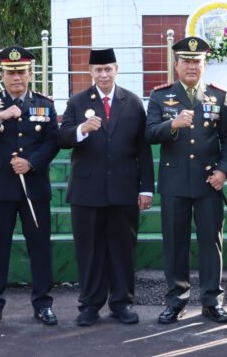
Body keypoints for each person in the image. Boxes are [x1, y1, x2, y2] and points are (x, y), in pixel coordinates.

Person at [58, 48, 154, 326]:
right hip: (87, 191)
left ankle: (121, 303)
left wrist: (145, 188)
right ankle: (89, 305)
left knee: (123, 249)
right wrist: (81, 130)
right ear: (90, 72)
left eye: (108, 69)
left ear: (116, 70)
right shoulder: (78, 102)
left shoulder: (133, 102)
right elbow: (61, 138)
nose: (103, 74)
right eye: (98, 70)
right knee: (89, 250)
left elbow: (143, 149)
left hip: (123, 190)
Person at [0, 46, 59, 329]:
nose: (16, 77)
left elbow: (53, 141)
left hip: (33, 187)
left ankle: (43, 304)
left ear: (30, 74)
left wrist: (31, 163)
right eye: (10, 72)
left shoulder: (44, 103)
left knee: (40, 247)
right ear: (2, 75)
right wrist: (0, 117)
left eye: (21, 72)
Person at [146, 37, 227, 324]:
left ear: (205, 64)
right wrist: (171, 124)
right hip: (174, 182)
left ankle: (212, 300)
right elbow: (148, 134)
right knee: (175, 243)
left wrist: (223, 171)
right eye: (186, 61)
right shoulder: (161, 96)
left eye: (197, 61)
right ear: (176, 64)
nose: (192, 66)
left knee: (211, 242)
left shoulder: (218, 96)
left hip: (208, 181)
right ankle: (176, 300)